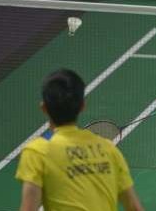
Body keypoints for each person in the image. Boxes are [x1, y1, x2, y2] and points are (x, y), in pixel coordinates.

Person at [15, 69, 144, 211]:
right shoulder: (109, 149)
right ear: (83, 106)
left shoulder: (37, 152)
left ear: (44, 108)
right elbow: (135, 208)